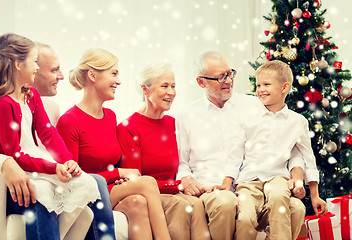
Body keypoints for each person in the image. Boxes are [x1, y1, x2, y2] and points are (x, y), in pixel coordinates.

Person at [175, 51, 307, 240]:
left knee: (297, 208)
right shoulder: (187, 115)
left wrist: (297, 176)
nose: (228, 81)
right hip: (212, 189)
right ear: (201, 82)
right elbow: (181, 162)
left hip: (255, 188)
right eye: (220, 77)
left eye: (229, 74)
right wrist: (187, 180)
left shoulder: (256, 105)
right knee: (226, 201)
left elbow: (289, 145)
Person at [0, 33, 100, 240]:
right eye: (34, 62)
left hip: (36, 164)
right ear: (17, 64)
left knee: (86, 187)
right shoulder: (2, 105)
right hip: (22, 170)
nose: (37, 67)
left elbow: (48, 132)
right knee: (43, 194)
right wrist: (52, 167)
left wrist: (66, 160)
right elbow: (13, 153)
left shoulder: (30, 96)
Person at [56, 48, 171, 240]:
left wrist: (117, 176)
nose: (119, 81)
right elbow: (72, 179)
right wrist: (117, 173)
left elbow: (111, 162)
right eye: (114, 74)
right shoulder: (70, 121)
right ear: (93, 76)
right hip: (84, 194)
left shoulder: (110, 117)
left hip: (108, 189)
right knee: (148, 182)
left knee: (138, 203)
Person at [227, 60, 327, 240]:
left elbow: (307, 157)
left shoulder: (297, 122)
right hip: (248, 180)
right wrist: (228, 182)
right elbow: (235, 155)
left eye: (266, 84)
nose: (260, 89)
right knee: (244, 218)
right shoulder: (247, 118)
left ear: (284, 87)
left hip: (278, 177)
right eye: (258, 85)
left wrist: (315, 196)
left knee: (280, 200)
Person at [117, 62, 210, 240]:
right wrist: (178, 186)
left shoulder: (173, 123)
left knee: (196, 204)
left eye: (173, 86)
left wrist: (190, 183)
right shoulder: (128, 128)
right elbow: (137, 181)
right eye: (165, 86)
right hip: (148, 195)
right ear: (145, 90)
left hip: (172, 190)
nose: (171, 92)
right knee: (179, 205)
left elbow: (185, 162)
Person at [33, 42, 116, 240]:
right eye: (54, 70)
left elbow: (51, 141)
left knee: (101, 184)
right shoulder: (69, 119)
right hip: (42, 176)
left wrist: (66, 161)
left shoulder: (49, 106)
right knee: (98, 181)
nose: (61, 75)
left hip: (55, 171)